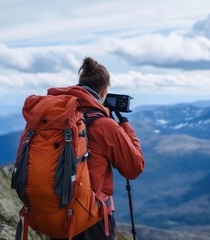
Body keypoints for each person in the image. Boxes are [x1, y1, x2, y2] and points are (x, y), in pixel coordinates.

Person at [47, 57, 145, 240]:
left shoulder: (58, 117)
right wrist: (125, 126)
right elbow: (134, 167)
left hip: (57, 213)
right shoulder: (104, 125)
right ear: (105, 90)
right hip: (92, 219)